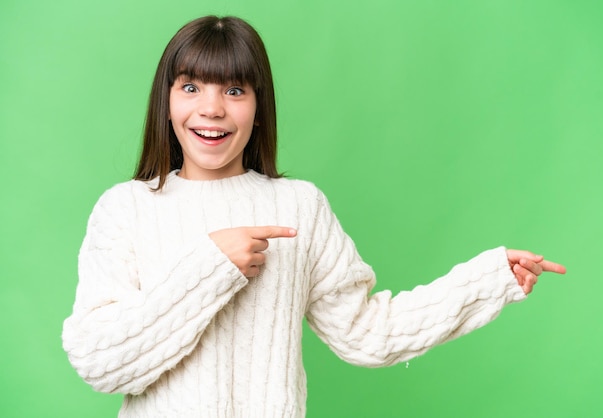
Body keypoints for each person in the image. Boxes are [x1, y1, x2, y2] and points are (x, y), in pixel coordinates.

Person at [62, 15, 566, 418]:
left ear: (258, 108)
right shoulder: (125, 208)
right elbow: (101, 363)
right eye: (191, 87)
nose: (211, 108)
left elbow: (366, 332)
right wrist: (211, 268)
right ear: (167, 102)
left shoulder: (299, 206)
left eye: (234, 90)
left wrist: (487, 280)